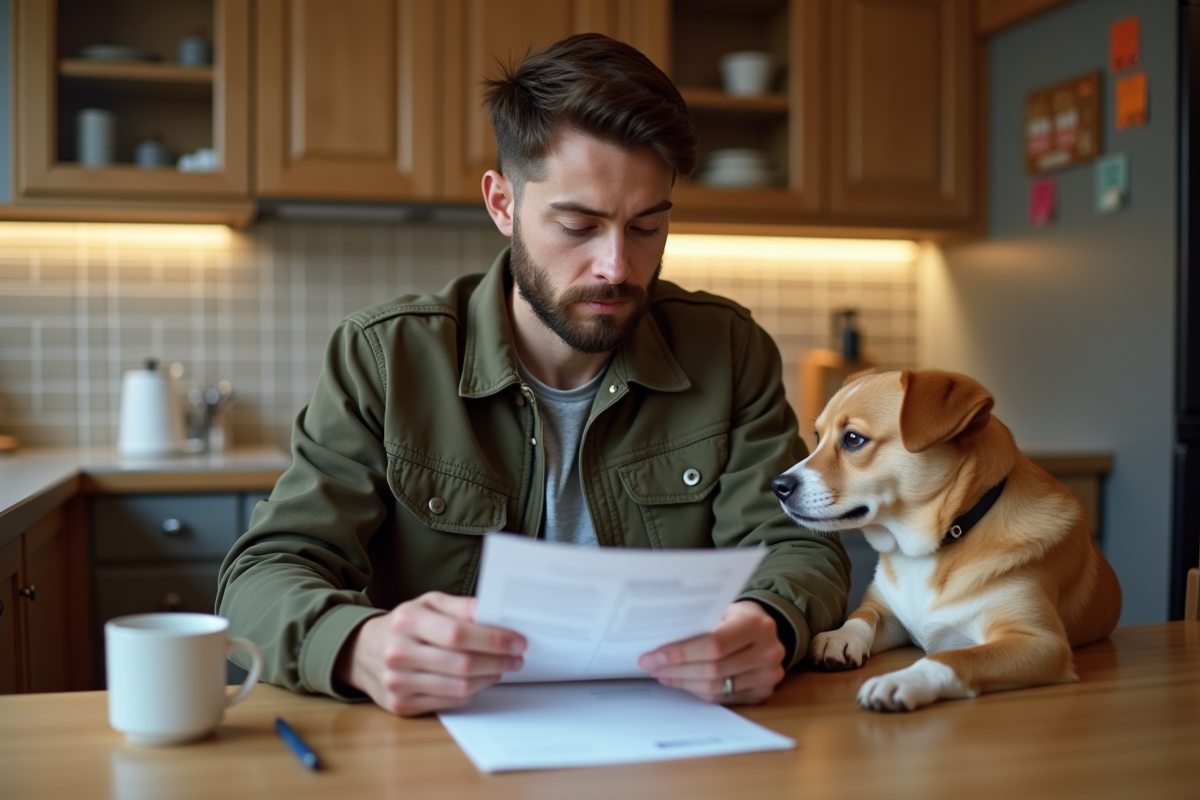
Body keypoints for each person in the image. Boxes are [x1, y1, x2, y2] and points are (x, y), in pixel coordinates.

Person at [216, 33, 849, 717]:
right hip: (440, 745)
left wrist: (770, 620)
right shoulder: (385, 359)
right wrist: (357, 645)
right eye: (579, 225)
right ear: (501, 203)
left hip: (668, 739)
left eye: (646, 227)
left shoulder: (728, 350)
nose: (616, 266)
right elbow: (264, 571)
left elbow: (794, 546)